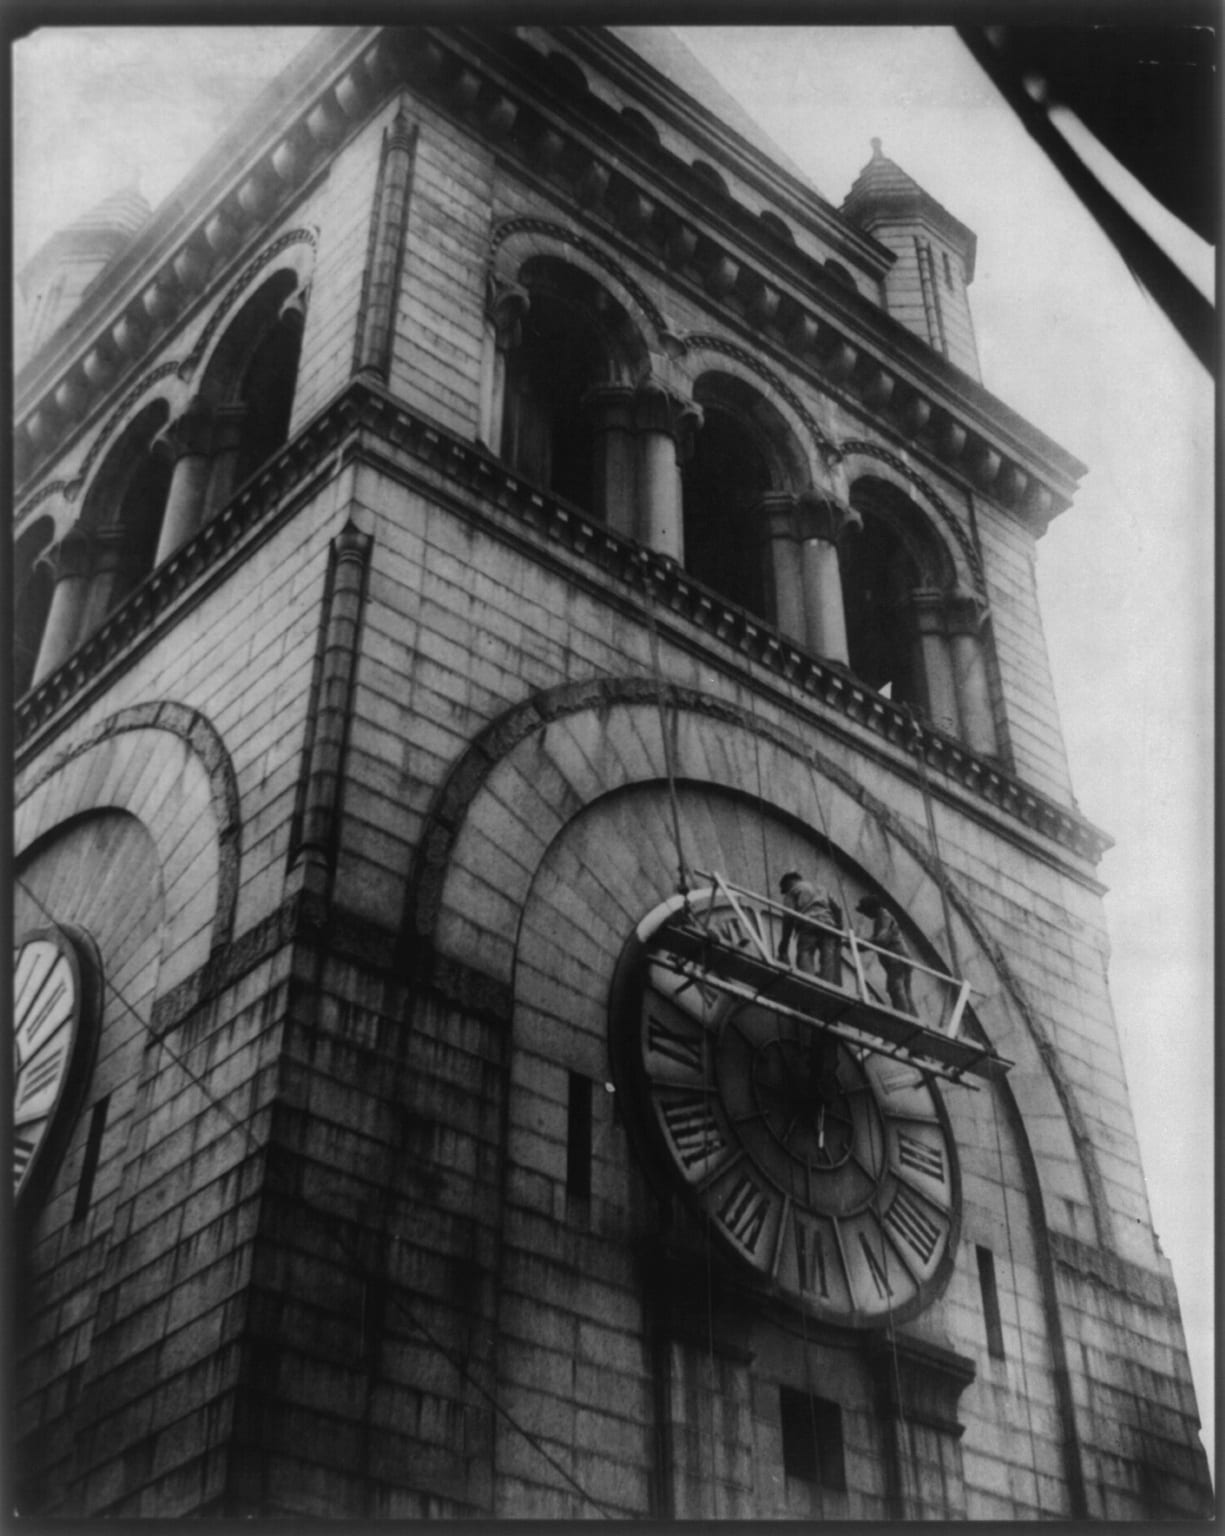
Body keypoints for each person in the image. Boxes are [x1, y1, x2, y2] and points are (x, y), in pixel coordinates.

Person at [776, 870, 842, 985]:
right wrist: (839, 928)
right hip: (828, 925)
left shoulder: (793, 891)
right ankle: (828, 986)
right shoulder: (821, 888)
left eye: (784, 889)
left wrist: (784, 946)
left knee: (805, 952)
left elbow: (788, 918)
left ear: (787, 883)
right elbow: (838, 909)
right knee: (828, 958)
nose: (785, 892)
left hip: (808, 924)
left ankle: (809, 982)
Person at [855, 894, 915, 1013]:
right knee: (906, 993)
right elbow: (876, 940)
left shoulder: (883, 916)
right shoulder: (881, 918)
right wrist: (859, 945)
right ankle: (913, 1019)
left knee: (895, 987)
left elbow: (880, 940)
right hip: (901, 959)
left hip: (896, 959)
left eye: (865, 911)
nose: (865, 915)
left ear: (871, 908)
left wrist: (860, 943)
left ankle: (904, 1018)